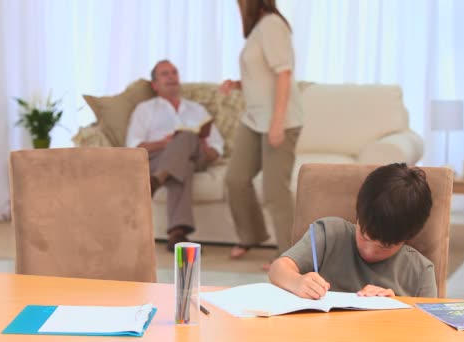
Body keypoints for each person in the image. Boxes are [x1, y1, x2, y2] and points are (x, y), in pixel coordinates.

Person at [268, 163, 437, 299]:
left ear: (407, 238)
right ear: (358, 215)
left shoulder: (420, 273)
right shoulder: (329, 234)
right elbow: (278, 269)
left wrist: (397, 304)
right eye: (364, 236)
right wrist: (297, 281)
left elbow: (428, 330)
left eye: (383, 247)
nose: (369, 251)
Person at [219, 0, 303, 268]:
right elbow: (263, 74)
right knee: (235, 178)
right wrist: (239, 83)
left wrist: (277, 122)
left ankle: (290, 256)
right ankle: (251, 235)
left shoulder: (273, 26)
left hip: (279, 121)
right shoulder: (259, 27)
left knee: (275, 191)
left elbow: (284, 74)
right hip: (254, 119)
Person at [126, 60, 225, 252]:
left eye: (174, 72)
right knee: (183, 166)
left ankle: (156, 180)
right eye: (165, 74)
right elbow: (133, 146)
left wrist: (203, 146)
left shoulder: (197, 109)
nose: (171, 76)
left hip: (197, 157)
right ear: (154, 85)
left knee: (187, 136)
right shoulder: (145, 109)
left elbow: (217, 148)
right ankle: (177, 233)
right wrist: (163, 144)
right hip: (159, 157)